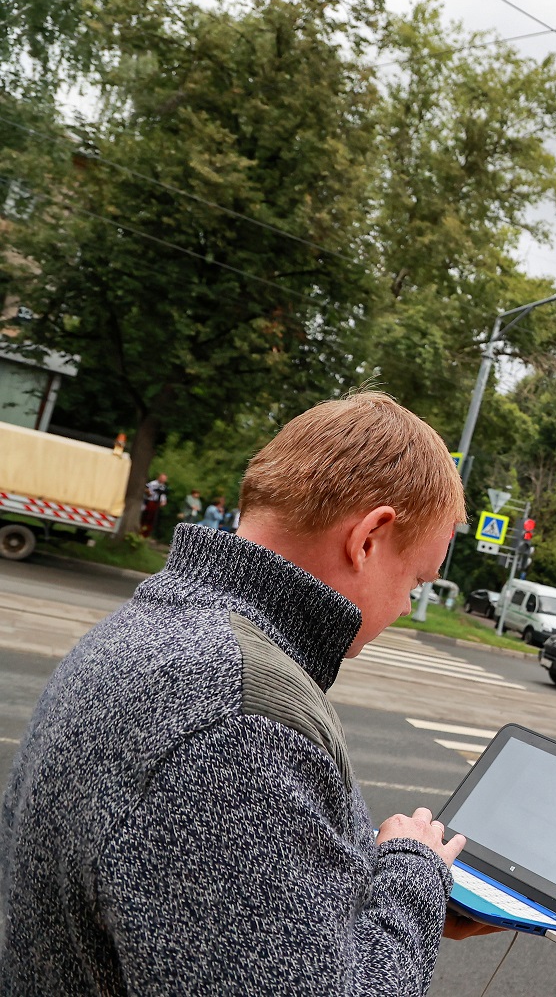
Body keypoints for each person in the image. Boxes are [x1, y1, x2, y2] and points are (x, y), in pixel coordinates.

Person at [0, 392, 499, 996]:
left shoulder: (160, 622)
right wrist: (410, 882)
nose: (403, 608)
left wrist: (348, 884)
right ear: (369, 538)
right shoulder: (239, 724)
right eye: (417, 580)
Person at [139, 472, 168, 537]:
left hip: (156, 504)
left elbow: (163, 495)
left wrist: (163, 501)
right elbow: (147, 491)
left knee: (152, 519)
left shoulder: (163, 486)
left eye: (164, 479)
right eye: (162, 478)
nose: (163, 480)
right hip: (150, 502)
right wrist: (149, 493)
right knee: (146, 517)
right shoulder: (153, 484)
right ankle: (141, 531)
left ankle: (146, 534)